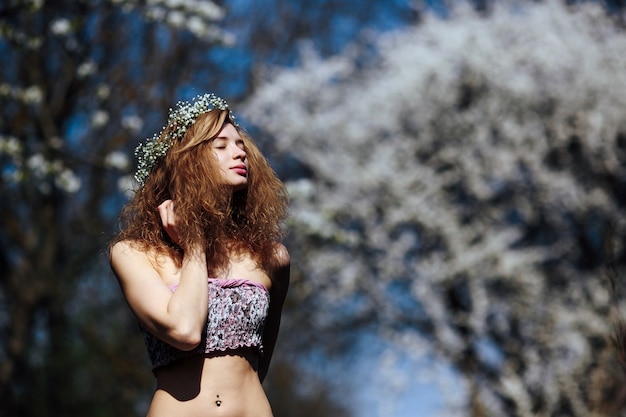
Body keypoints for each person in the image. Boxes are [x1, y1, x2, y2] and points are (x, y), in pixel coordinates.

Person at [109, 93, 290, 417]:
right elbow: (184, 331)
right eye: (221, 146)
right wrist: (194, 244)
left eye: (241, 145)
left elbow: (260, 363)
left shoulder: (271, 257)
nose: (239, 153)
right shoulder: (135, 253)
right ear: (187, 162)